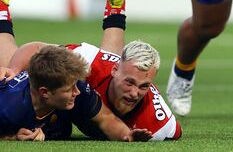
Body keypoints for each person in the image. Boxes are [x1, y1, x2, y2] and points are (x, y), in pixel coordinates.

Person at [3, 0, 182, 141]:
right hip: (95, 69)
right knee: (15, 65)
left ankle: (116, 7)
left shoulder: (160, 125)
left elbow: (109, 120)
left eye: (144, 86)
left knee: (61, 127)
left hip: (95, 81)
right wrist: (14, 73)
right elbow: (37, 49)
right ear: (114, 71)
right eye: (129, 83)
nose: (135, 93)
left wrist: (128, 135)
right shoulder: (85, 63)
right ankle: (1, 9)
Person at [0, 45, 151, 141]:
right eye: (69, 90)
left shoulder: (77, 86)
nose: (77, 92)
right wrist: (12, 137)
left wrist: (127, 135)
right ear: (45, 93)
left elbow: (106, 119)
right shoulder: (7, 109)